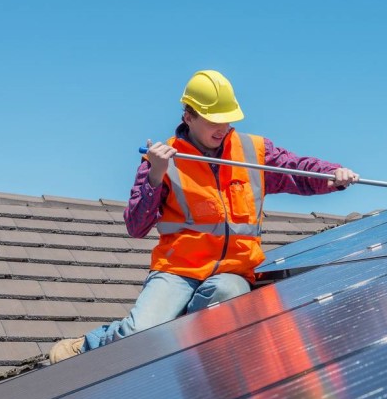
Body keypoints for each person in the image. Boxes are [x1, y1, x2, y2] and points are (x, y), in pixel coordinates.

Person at [49, 70, 358, 363]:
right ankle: (88, 345)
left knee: (230, 298)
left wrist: (332, 175)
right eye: (213, 120)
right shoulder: (162, 158)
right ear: (189, 116)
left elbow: (297, 171)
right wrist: (156, 176)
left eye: (228, 119)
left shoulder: (254, 151)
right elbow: (136, 225)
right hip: (178, 270)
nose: (222, 128)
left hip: (233, 272)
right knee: (141, 334)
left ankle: (179, 324)